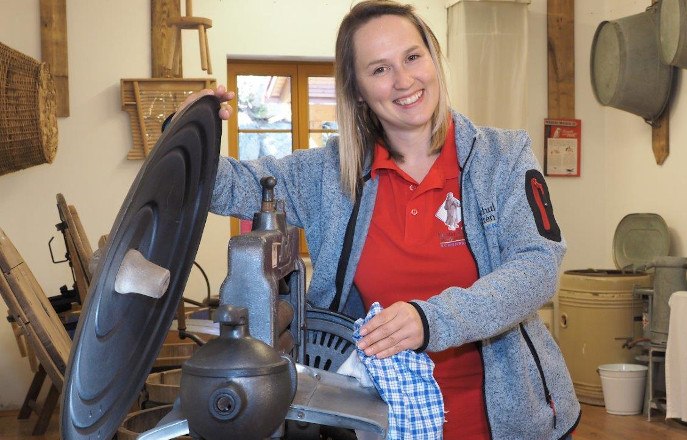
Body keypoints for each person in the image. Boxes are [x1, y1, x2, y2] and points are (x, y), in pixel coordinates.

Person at [181, 1, 580, 438]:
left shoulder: (502, 157)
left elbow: (537, 268)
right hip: (378, 422)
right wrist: (188, 131)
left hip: (511, 422)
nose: (404, 81)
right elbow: (230, 185)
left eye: (412, 57)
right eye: (379, 69)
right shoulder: (330, 175)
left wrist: (431, 320)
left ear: (433, 58)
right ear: (357, 91)